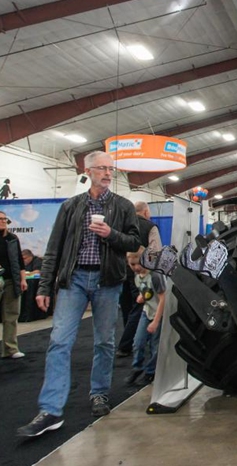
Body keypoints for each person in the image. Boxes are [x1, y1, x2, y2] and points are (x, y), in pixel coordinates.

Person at [17, 151, 140, 438]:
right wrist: (45, 287)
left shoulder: (123, 206)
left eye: (112, 169)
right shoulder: (71, 206)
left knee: (105, 342)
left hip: (107, 281)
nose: (108, 173)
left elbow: (134, 241)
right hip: (73, 281)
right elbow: (54, 249)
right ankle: (51, 410)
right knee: (59, 342)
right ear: (88, 171)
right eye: (102, 168)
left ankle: (99, 393)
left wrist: (110, 233)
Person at [117, 201, 162, 358]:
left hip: (123, 270)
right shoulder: (150, 226)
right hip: (141, 272)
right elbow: (155, 251)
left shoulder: (121, 225)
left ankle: (130, 342)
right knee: (139, 308)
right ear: (145, 212)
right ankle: (126, 344)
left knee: (127, 307)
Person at [124, 247, 165, 386]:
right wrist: (142, 297)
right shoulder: (137, 277)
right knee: (138, 342)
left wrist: (156, 321)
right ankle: (137, 367)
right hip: (147, 312)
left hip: (158, 315)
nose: (135, 267)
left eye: (138, 264)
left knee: (155, 346)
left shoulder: (155, 276)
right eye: (132, 264)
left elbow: (163, 299)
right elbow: (147, 292)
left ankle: (150, 372)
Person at [1, 210, 27, 359]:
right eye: (0, 219)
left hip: (11, 281)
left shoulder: (12, 239)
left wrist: (22, 279)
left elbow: (19, 260)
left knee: (11, 315)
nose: (3, 221)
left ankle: (10, 349)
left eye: (5, 219)